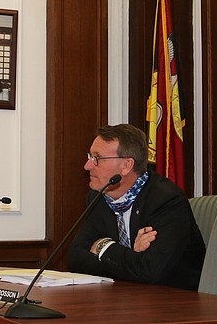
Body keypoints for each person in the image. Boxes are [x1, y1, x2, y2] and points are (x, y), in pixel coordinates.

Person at [68, 124, 205, 291]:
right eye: (90, 157)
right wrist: (131, 255)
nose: (87, 166)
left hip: (175, 301)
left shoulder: (166, 200)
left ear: (126, 165)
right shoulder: (98, 198)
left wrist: (101, 246)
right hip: (127, 296)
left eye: (97, 158)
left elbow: (150, 270)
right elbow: (76, 258)